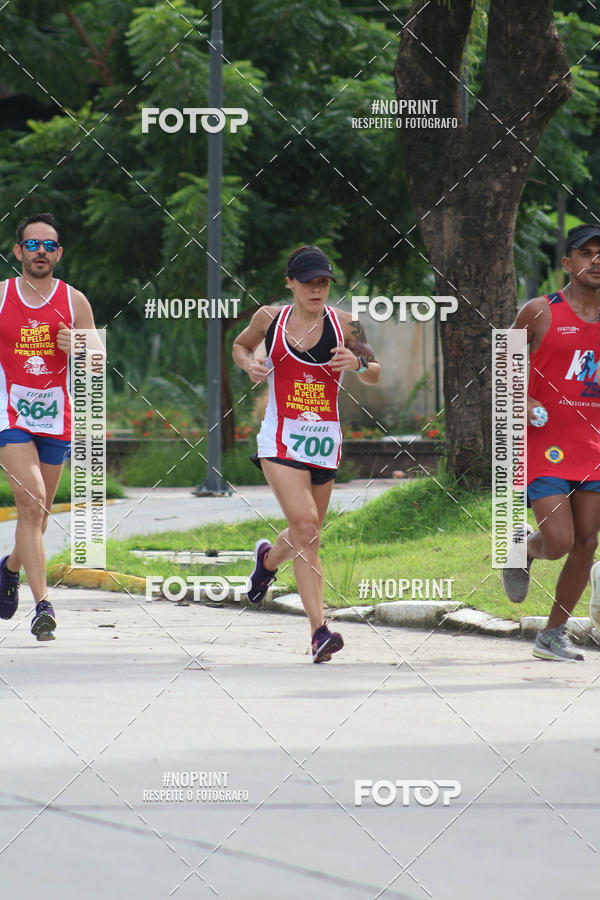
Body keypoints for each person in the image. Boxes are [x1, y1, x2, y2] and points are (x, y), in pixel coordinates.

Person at [232, 246, 381, 662]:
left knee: (306, 535)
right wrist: (248, 366)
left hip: (324, 441)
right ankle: (319, 631)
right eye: (309, 282)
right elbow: (240, 347)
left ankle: (266, 561)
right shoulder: (270, 319)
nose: (317, 289)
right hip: (280, 441)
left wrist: (357, 363)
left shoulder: (348, 324)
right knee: (307, 526)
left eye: (323, 282)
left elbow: (374, 371)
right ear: (290, 283)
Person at [0, 213, 102, 639]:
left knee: (37, 517)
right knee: (33, 500)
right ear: (18, 251)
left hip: (56, 419)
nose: (41, 252)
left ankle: (7, 569)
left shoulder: (73, 300)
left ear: (58, 254)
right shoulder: (2, 296)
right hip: (10, 417)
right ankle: (43, 605)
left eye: (49, 245)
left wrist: (78, 344)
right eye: (33, 244)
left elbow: (97, 360)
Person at [502, 223, 600, 660]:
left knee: (587, 542)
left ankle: (552, 634)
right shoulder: (539, 311)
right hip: (546, 445)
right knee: (559, 541)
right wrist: (520, 400)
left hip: (593, 447)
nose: (596, 262)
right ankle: (522, 547)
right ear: (568, 263)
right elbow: (506, 362)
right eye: (586, 253)